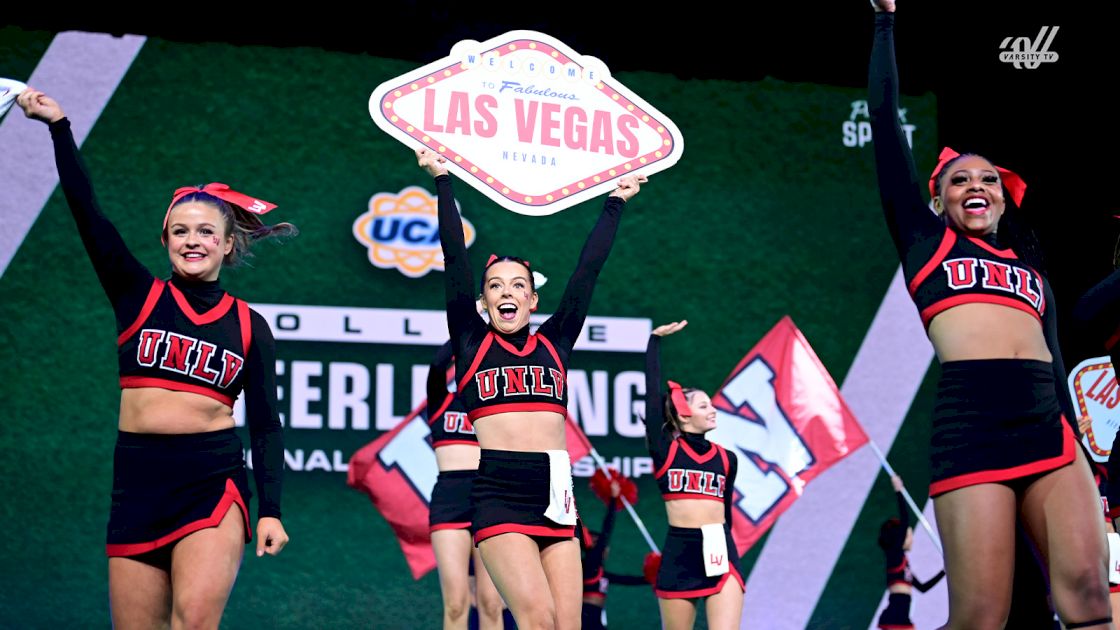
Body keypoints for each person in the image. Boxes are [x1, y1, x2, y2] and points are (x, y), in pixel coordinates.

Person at [867, 2, 1112, 627]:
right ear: (937, 198)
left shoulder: (1031, 272)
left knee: (1089, 596)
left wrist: (1079, 443)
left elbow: (1054, 358)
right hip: (971, 424)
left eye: (987, 179)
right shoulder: (926, 245)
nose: (975, 186)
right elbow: (885, 126)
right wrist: (887, 23)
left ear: (1003, 197)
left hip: (1048, 424)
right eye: (958, 180)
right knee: (980, 616)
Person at [17, 88, 292, 628]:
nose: (194, 241)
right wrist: (59, 126)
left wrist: (272, 510)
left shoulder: (249, 326)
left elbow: (266, 425)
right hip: (138, 482)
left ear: (228, 244)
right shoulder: (136, 296)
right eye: (181, 230)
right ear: (164, 238)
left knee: (193, 618)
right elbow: (87, 215)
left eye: (207, 232)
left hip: (212, 479)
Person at [419, 147, 646, 630]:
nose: (507, 292)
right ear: (483, 301)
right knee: (536, 618)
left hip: (555, 493)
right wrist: (442, 180)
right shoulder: (470, 341)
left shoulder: (556, 341)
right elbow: (454, 255)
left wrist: (616, 202)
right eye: (495, 285)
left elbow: (587, 272)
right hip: (499, 491)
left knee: (568, 624)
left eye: (518, 285)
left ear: (532, 297)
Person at [643, 320, 743, 630]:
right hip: (680, 552)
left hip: (720, 547)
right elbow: (651, 396)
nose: (713, 409)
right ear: (684, 414)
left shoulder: (727, 459)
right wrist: (654, 343)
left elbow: (725, 511)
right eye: (704, 405)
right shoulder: (666, 451)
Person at [425, 340, 505, 630]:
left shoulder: (494, 409)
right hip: (449, 500)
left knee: (491, 602)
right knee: (457, 603)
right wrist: (469, 321)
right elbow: (436, 365)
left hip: (488, 498)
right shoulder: (440, 400)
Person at [579, 470, 650, 630]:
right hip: (586, 617)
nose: (606, 548)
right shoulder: (590, 565)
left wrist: (652, 579)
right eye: (600, 544)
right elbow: (606, 531)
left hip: (593, 617)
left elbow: (626, 580)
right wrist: (613, 499)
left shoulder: (599, 571)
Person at [875, 475, 945, 630]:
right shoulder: (895, 556)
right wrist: (899, 491)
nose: (912, 539)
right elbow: (905, 519)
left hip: (903, 618)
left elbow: (923, 588)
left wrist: (945, 571)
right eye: (909, 534)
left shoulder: (904, 565)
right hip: (895, 618)